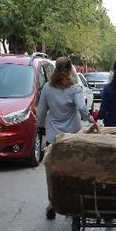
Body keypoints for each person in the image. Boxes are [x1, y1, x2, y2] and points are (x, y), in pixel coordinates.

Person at [37, 56, 92, 219]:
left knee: (52, 171)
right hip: (72, 137)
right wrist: (89, 119)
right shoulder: (74, 88)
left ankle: (52, 203)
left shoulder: (47, 87)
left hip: (53, 138)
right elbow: (82, 108)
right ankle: (73, 202)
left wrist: (40, 126)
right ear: (70, 70)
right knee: (74, 170)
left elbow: (41, 111)